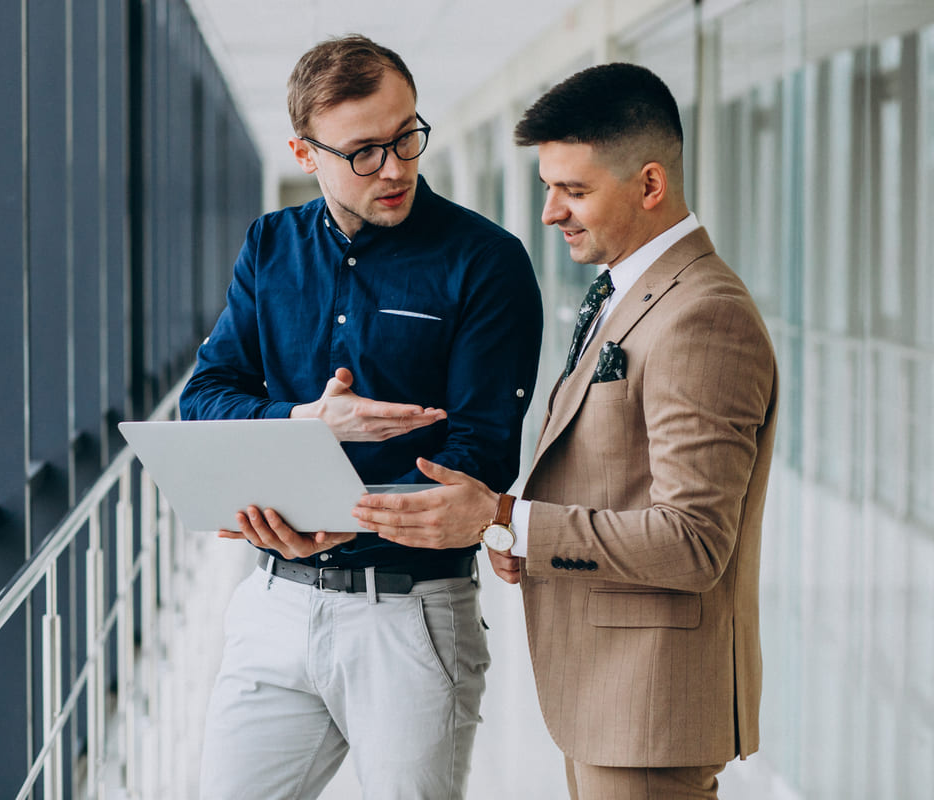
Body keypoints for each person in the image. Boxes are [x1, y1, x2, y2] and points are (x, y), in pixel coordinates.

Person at [354, 62, 778, 800]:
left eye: (573, 190)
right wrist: (528, 538)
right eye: (549, 187)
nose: (550, 212)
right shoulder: (631, 290)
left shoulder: (702, 316)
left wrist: (505, 518)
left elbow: (694, 540)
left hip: (649, 710)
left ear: (650, 186)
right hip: (612, 701)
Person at [177, 34, 543, 800]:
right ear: (304, 153)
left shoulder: (486, 261)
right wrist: (306, 421)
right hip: (273, 604)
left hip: (409, 618)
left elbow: (481, 456)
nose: (396, 168)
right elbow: (206, 397)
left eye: (408, 136)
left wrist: (352, 520)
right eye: (364, 152)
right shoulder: (269, 246)